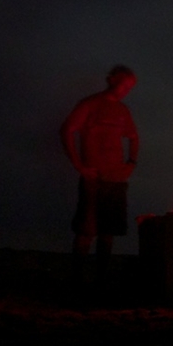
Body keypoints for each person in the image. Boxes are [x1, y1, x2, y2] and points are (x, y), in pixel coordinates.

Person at [60, 65, 139, 292]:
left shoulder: (123, 111)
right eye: (123, 84)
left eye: (129, 87)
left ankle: (100, 281)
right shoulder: (90, 104)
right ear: (111, 80)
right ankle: (77, 280)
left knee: (108, 231)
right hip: (94, 178)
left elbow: (134, 137)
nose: (125, 90)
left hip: (116, 179)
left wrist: (131, 163)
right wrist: (79, 165)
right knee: (87, 229)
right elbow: (67, 130)